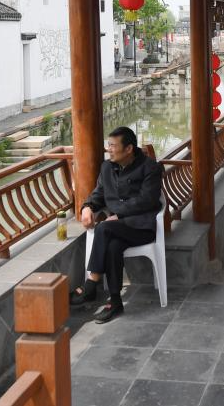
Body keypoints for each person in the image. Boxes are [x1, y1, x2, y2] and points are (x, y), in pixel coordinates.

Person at [71, 126, 162, 323]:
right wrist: (87, 207)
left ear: (128, 149)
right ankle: (115, 302)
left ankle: (91, 284)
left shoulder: (150, 168)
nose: (109, 149)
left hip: (141, 228)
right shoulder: (107, 168)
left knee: (103, 228)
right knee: (113, 247)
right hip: (117, 228)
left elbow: (147, 200)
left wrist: (119, 215)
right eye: (108, 145)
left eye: (113, 146)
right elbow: (98, 194)